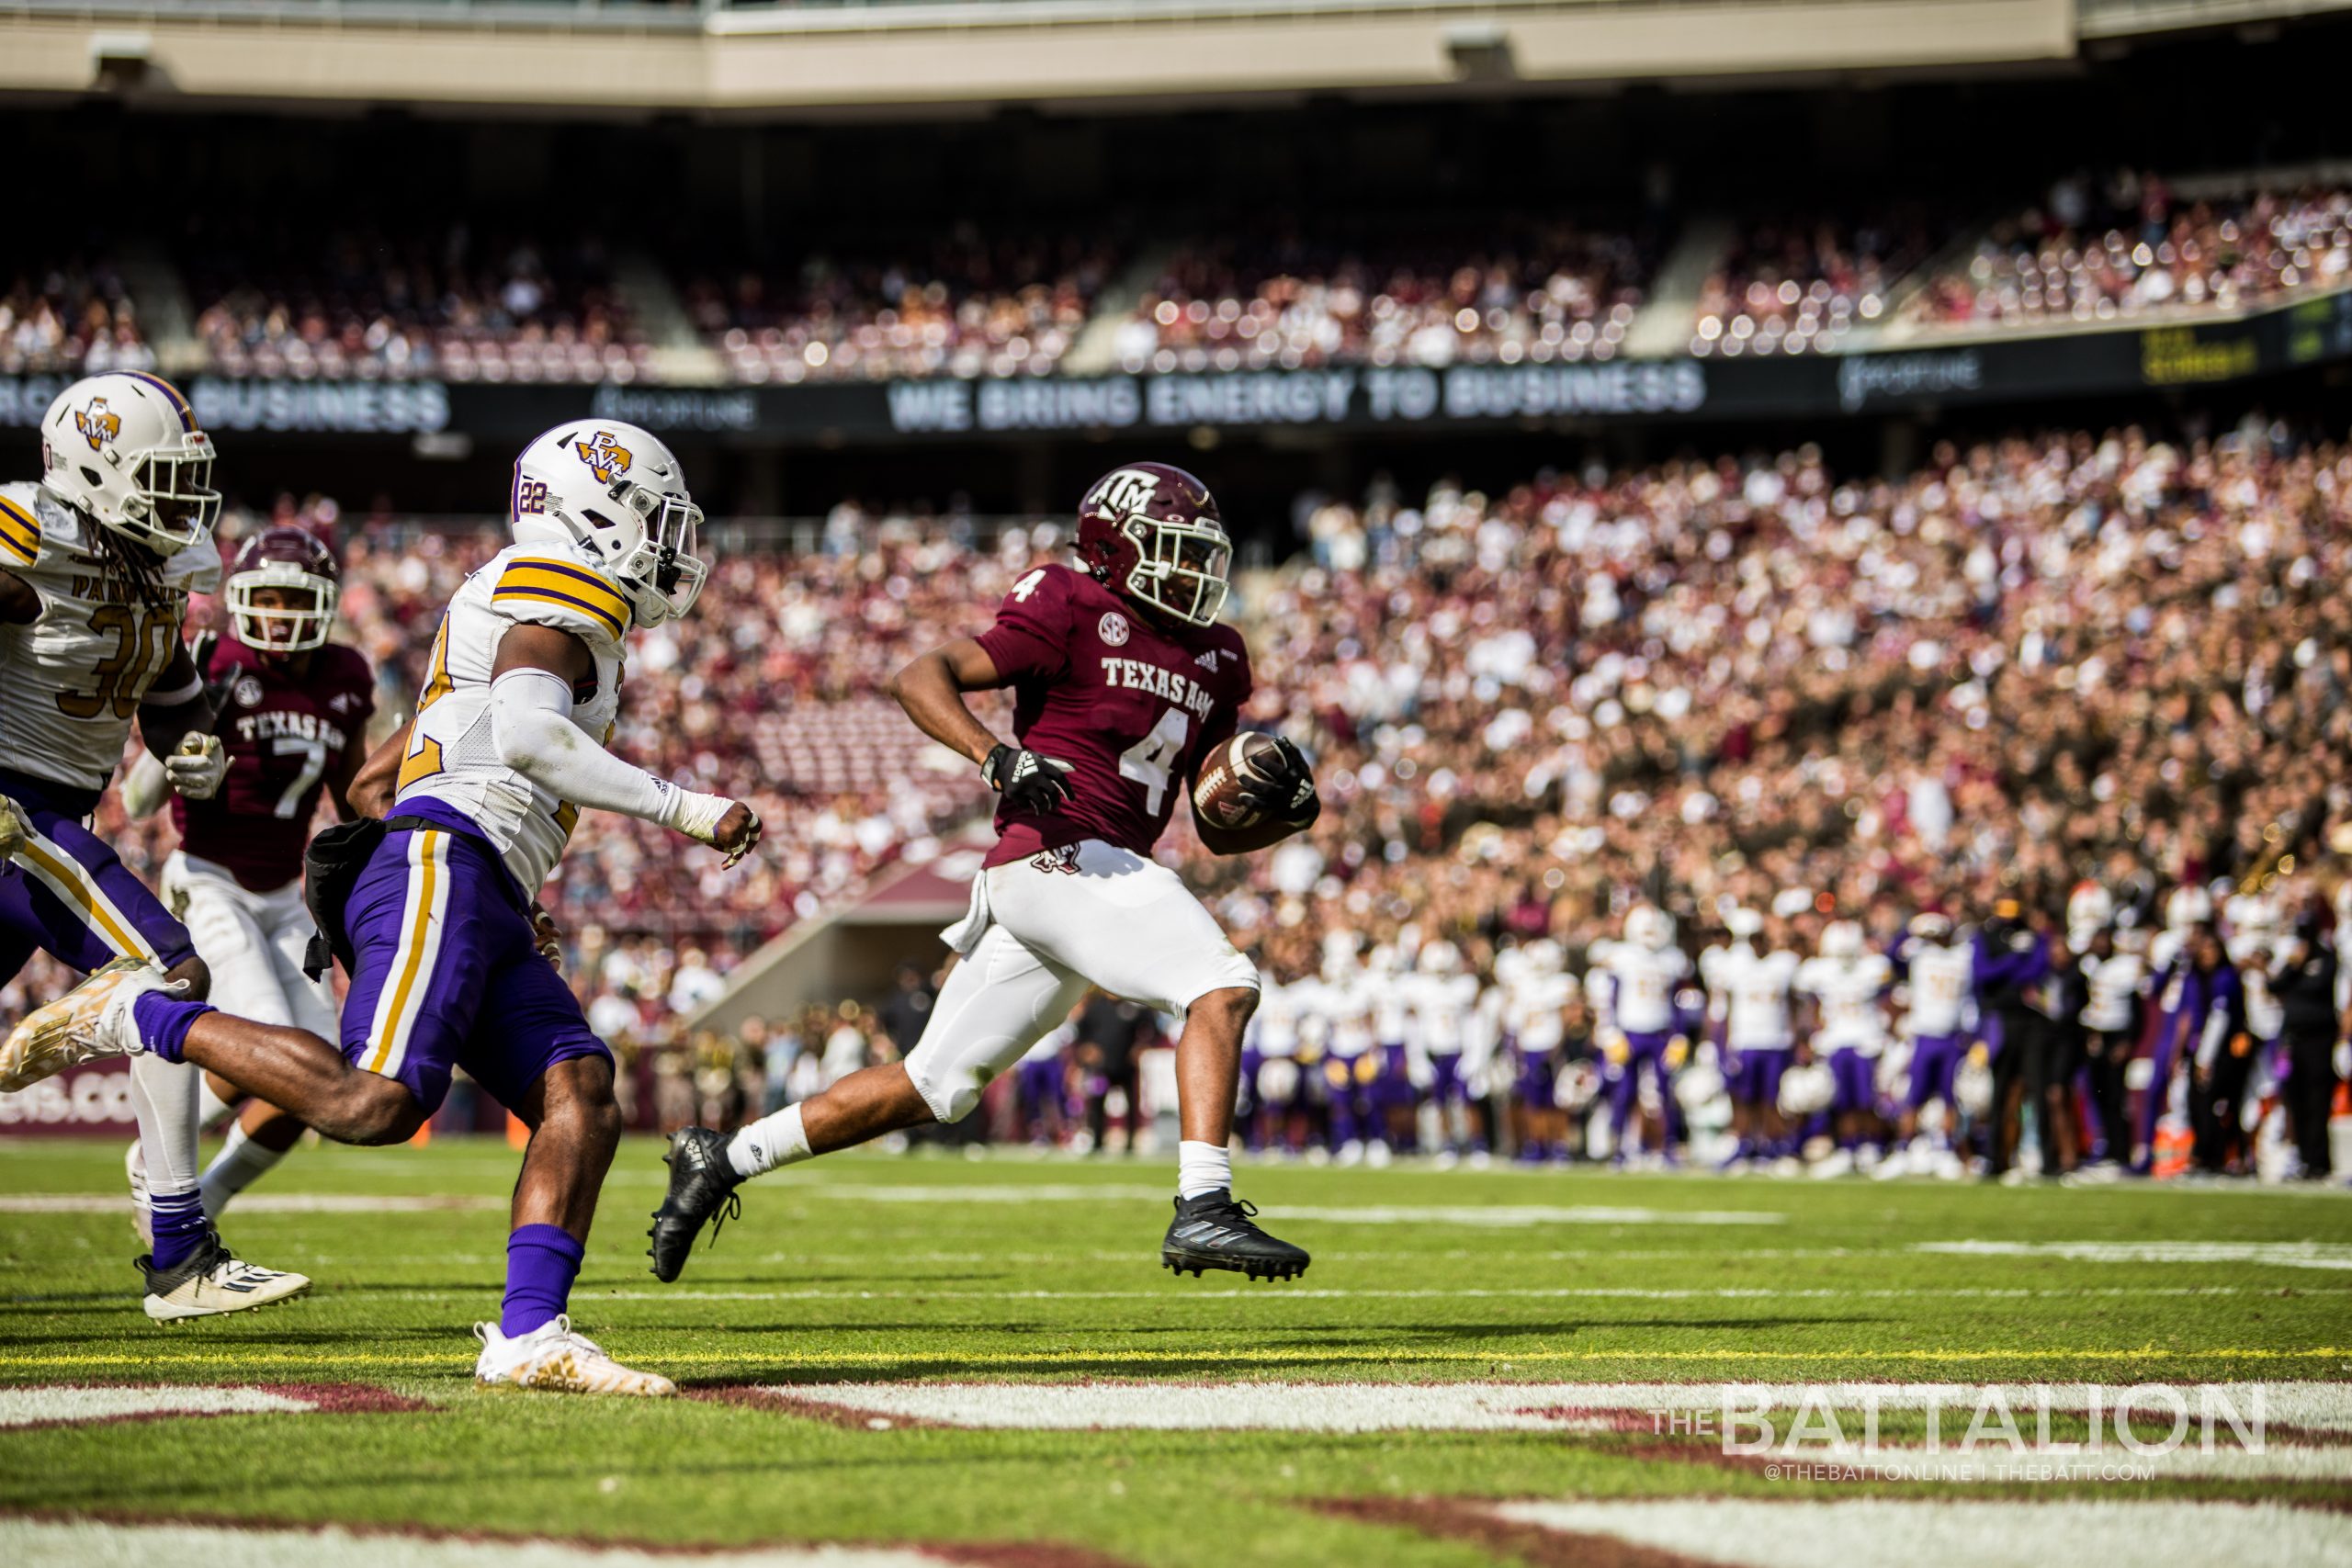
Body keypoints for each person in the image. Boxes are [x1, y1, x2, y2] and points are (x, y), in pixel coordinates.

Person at [4, 420, 759, 1393]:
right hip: (450, 860)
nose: (667, 545)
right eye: (653, 519)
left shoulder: (522, 603)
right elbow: (528, 735)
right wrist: (685, 809)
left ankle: (530, 1334)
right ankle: (132, 1012)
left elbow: (368, 785)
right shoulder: (565, 583)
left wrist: (500, 884)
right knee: (376, 1103)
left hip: (473, 872)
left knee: (581, 1092)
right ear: (593, 512)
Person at [650, 462, 1321, 1282]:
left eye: (1199, 556)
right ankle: (1204, 1206)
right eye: (1171, 551)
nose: (1191, 572)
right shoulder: (1073, 603)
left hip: (1101, 877)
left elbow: (1215, 827)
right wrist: (995, 755)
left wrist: (1276, 809)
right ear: (1113, 550)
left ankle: (724, 1156)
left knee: (933, 1084)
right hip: (1056, 854)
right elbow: (919, 676)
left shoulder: (1217, 654)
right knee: (1220, 983)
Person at [0, 372, 306, 1319]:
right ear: (90, 469)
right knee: (167, 974)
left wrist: (191, 747)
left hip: (55, 813)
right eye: (159, 477)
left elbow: (168, 685)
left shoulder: (159, 562)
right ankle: (179, 1253)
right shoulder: (27, 535)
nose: (182, 501)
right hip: (16, 812)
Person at [118, 526, 376, 1234]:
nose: (280, 612)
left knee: (322, 1076)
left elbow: (351, 788)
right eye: (265, 596)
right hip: (209, 878)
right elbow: (139, 799)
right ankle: (153, 1150)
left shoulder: (346, 674)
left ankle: (210, 1192)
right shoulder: (215, 658)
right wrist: (178, 756)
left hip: (284, 895)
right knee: (267, 1046)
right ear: (237, 599)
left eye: (295, 598)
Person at [2270, 907, 2340, 1180]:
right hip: (2293, 1040)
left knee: (2317, 1101)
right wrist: (2292, 967)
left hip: (2319, 1040)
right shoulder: (2294, 963)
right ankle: (2303, 1158)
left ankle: (2319, 1161)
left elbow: (2319, 988)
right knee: (2296, 1100)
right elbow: (2274, 986)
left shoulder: (2326, 959)